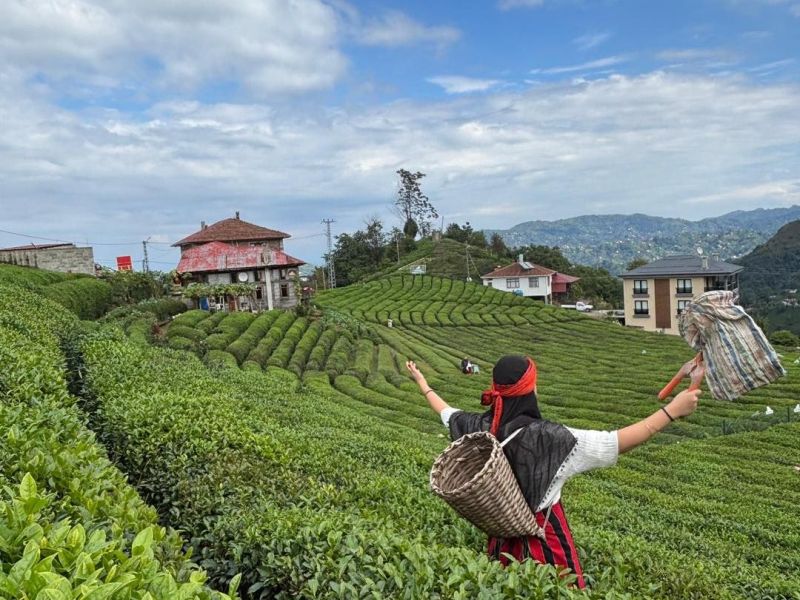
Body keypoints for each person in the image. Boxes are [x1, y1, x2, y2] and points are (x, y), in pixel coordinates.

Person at [407, 354, 703, 589]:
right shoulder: (547, 438)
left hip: (501, 539)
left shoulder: (479, 427)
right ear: (531, 390)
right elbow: (615, 442)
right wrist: (671, 411)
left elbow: (446, 412)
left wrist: (422, 382)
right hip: (543, 538)